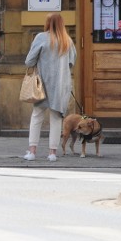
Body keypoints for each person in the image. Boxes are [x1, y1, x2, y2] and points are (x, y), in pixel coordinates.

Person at [24, 12, 76, 162]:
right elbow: (72, 62)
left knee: (37, 117)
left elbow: (29, 61)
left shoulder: (41, 37)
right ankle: (52, 153)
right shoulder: (68, 41)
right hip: (61, 85)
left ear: (47, 23)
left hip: (42, 84)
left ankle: (32, 151)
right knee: (56, 118)